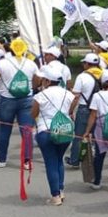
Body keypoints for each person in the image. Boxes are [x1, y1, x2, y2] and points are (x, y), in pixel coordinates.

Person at [0, 38, 39, 168]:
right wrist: (31, 88)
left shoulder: (2, 64)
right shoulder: (31, 64)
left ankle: (2, 159)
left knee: (4, 130)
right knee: (26, 130)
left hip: (7, 100)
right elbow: (38, 79)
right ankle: (27, 161)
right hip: (26, 99)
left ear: (10, 49)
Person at [32, 61, 74, 206]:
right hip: (65, 131)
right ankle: (61, 190)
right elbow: (70, 109)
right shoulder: (68, 94)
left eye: (44, 79)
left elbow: (34, 113)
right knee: (59, 160)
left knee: (50, 162)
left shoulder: (40, 95)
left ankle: (55, 195)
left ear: (48, 81)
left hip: (46, 130)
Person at [83, 69, 108, 191]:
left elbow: (93, 115)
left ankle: (97, 181)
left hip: (101, 128)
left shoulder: (97, 95)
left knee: (99, 155)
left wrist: (87, 131)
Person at [66, 53, 103, 167]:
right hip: (100, 109)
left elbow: (76, 96)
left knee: (79, 136)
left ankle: (75, 160)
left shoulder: (82, 76)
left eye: (84, 63)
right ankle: (96, 160)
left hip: (84, 109)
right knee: (97, 136)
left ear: (87, 64)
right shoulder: (104, 74)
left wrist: (71, 110)